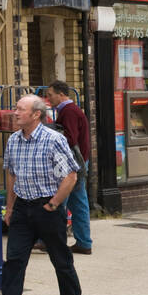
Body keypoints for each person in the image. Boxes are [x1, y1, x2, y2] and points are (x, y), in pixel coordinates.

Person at [0, 95, 84, 295]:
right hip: (22, 209)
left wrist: (54, 204)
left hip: (47, 208)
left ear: (36, 114)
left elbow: (70, 175)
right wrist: (9, 207)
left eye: (20, 109)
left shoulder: (53, 140)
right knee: (15, 261)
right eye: (16, 109)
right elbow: (11, 175)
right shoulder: (13, 141)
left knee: (60, 259)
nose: (15, 113)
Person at [45, 81, 92, 254]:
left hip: (71, 163)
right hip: (78, 161)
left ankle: (49, 240)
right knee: (78, 201)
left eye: (50, 95)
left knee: (58, 200)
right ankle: (84, 242)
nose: (48, 99)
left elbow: (70, 139)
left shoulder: (69, 111)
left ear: (61, 94)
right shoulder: (70, 110)